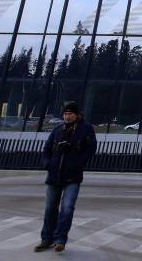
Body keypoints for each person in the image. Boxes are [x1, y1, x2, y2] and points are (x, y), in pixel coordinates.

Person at [35, 102, 97, 252]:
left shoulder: (85, 130)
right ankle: (47, 238)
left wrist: (79, 163)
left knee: (67, 208)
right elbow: (46, 150)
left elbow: (91, 149)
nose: (67, 117)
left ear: (77, 115)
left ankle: (60, 239)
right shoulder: (57, 130)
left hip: (72, 176)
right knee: (50, 208)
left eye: (70, 114)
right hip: (54, 174)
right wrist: (47, 164)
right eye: (65, 114)